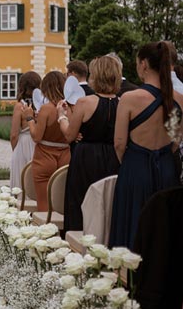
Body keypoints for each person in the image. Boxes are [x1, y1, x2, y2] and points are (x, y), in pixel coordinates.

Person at [109, 42, 183, 250]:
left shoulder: (130, 99)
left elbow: (119, 143)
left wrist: (131, 162)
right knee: (164, 232)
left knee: (132, 227)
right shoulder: (178, 100)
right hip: (168, 171)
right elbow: (175, 140)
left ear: (143, 64)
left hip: (136, 169)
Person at [57, 55, 121, 232]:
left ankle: (79, 246)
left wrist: (61, 116)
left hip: (86, 159)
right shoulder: (122, 103)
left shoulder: (84, 102)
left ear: (96, 76)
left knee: (81, 203)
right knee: (107, 205)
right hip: (112, 157)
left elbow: (70, 136)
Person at [22, 71, 70, 212]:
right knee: (62, 204)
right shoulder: (71, 108)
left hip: (45, 157)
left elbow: (36, 136)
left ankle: (47, 232)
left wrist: (30, 118)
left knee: (44, 205)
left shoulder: (47, 109)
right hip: (66, 157)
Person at [9, 71, 41, 190]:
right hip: (38, 143)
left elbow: (14, 134)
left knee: (21, 180)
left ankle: (21, 203)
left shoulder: (20, 106)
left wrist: (15, 150)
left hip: (23, 143)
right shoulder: (42, 105)